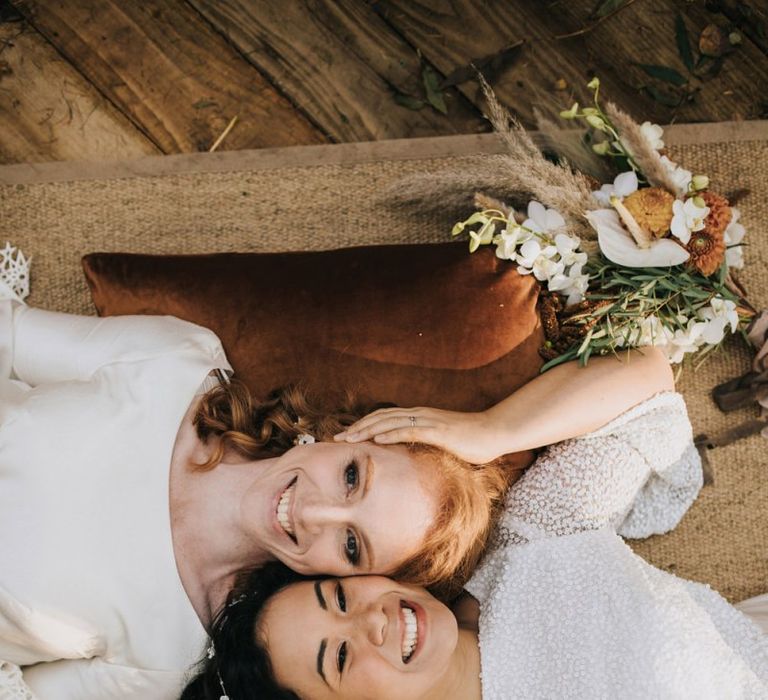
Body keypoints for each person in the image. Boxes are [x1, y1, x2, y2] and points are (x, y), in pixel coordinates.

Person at [0, 259, 510, 699]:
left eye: (352, 544)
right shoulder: (174, 363)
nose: (312, 512)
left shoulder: (169, 657)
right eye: (351, 477)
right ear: (351, 435)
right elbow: (12, 332)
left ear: (354, 581)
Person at [182, 369, 768, 698]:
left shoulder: (530, 548)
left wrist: (493, 432)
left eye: (338, 597)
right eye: (338, 657)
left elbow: (647, 391)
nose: (371, 621)